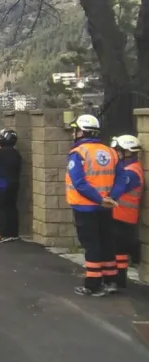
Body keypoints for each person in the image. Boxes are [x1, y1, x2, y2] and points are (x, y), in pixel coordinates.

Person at [66, 114, 118, 297]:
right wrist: (110, 198)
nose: (73, 133)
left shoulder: (78, 153)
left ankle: (93, 284)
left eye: (75, 130)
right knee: (106, 242)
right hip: (105, 206)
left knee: (91, 245)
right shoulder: (110, 151)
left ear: (81, 131)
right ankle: (111, 280)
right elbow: (118, 177)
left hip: (85, 206)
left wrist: (98, 199)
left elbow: (79, 183)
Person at [107, 134, 142, 292]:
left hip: (122, 217)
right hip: (121, 216)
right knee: (118, 251)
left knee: (118, 252)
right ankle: (117, 281)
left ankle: (117, 281)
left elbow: (118, 189)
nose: (116, 153)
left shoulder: (131, 172)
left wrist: (105, 198)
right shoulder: (127, 169)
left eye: (118, 150)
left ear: (127, 152)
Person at [0, 128, 22, 242]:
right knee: (12, 208)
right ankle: (13, 233)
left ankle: (3, 232)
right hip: (14, 182)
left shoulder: (0, 153)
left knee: (1, 208)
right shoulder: (16, 153)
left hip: (2, 183)